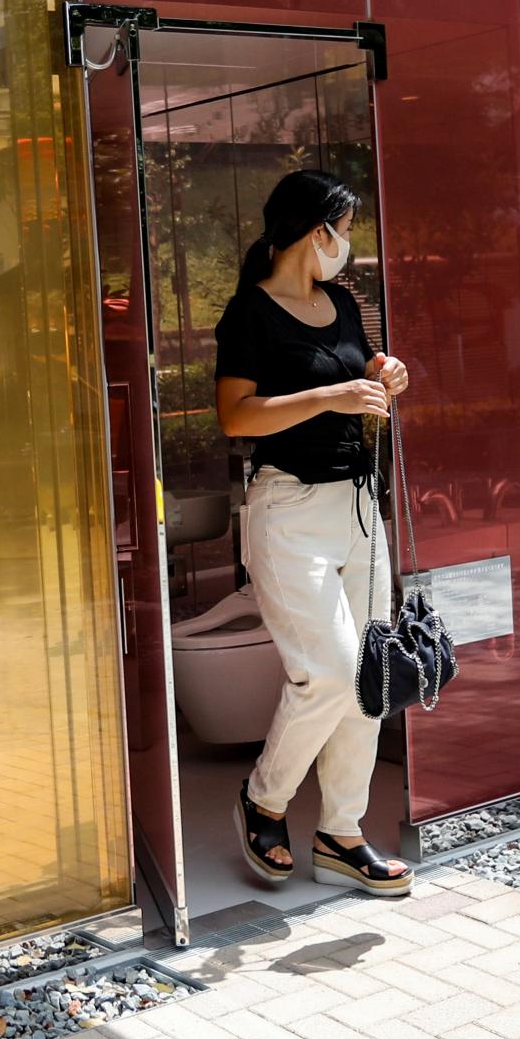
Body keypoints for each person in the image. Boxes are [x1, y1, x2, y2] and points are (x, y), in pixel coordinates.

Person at [212, 168, 414, 898]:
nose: (348, 243)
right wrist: (331, 394)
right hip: (290, 511)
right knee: (326, 670)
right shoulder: (249, 315)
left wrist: (382, 371)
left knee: (368, 680)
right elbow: (237, 417)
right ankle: (264, 799)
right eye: (344, 227)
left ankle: (342, 831)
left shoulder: (339, 302)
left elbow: (359, 368)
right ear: (313, 230)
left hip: (358, 507)